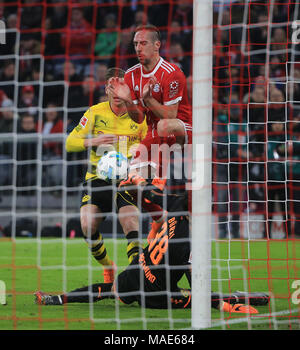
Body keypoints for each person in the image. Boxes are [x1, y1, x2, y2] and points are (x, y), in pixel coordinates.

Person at [35, 193, 269, 314]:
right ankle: (239, 299)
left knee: (109, 290)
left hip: (137, 272)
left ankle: (57, 298)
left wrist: (154, 225)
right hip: (157, 297)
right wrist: (225, 305)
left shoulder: (178, 207)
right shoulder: (189, 243)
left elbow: (153, 195)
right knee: (197, 299)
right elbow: (199, 290)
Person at [107, 24, 192, 242]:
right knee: (135, 186)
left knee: (163, 127)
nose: (138, 48)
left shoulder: (172, 73)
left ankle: (159, 181)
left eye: (143, 43)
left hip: (182, 127)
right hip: (155, 133)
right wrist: (127, 100)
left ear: (157, 45)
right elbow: (139, 119)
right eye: (135, 43)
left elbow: (170, 115)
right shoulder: (132, 74)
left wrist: (148, 99)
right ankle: (158, 219)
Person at [65, 67, 148, 283]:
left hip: (127, 178)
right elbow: (69, 143)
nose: (117, 90)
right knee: (86, 226)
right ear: (106, 89)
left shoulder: (139, 116)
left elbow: (152, 145)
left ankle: (135, 276)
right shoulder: (95, 112)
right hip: (97, 178)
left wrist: (140, 163)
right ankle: (108, 266)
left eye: (122, 85)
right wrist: (91, 141)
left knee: (130, 222)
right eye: (113, 86)